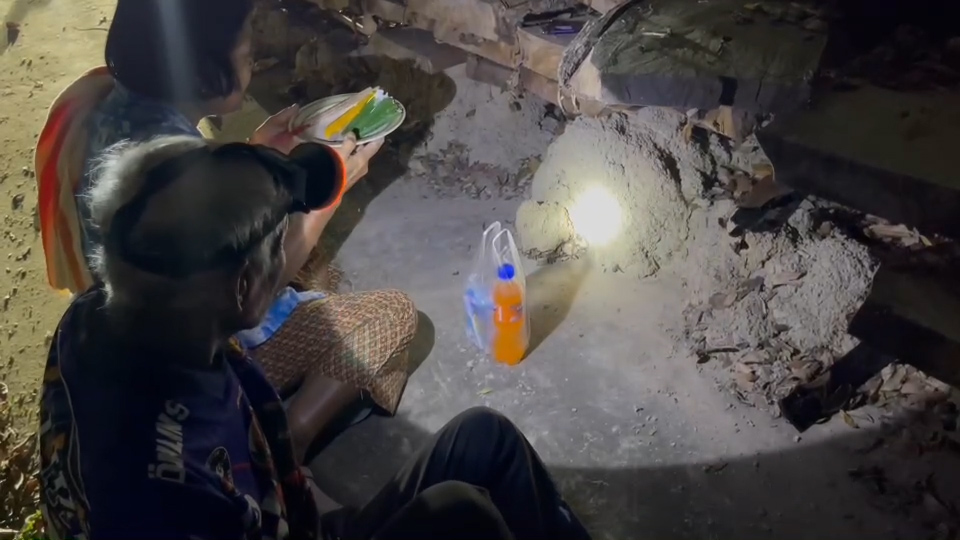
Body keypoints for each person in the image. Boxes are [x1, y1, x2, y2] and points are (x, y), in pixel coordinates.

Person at [38, 136, 591, 540]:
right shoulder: (167, 494)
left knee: (484, 439)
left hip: (288, 521)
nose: (288, 262)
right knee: (461, 514)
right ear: (242, 288)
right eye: (277, 248)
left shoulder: (109, 313)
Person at [34, 0, 417, 458]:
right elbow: (247, 297)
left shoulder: (106, 104)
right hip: (184, 367)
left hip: (122, 324)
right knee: (393, 314)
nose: (253, 56)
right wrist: (331, 189)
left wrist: (255, 150)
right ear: (200, 72)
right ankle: (281, 440)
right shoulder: (180, 174)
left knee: (319, 269)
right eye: (245, 49)